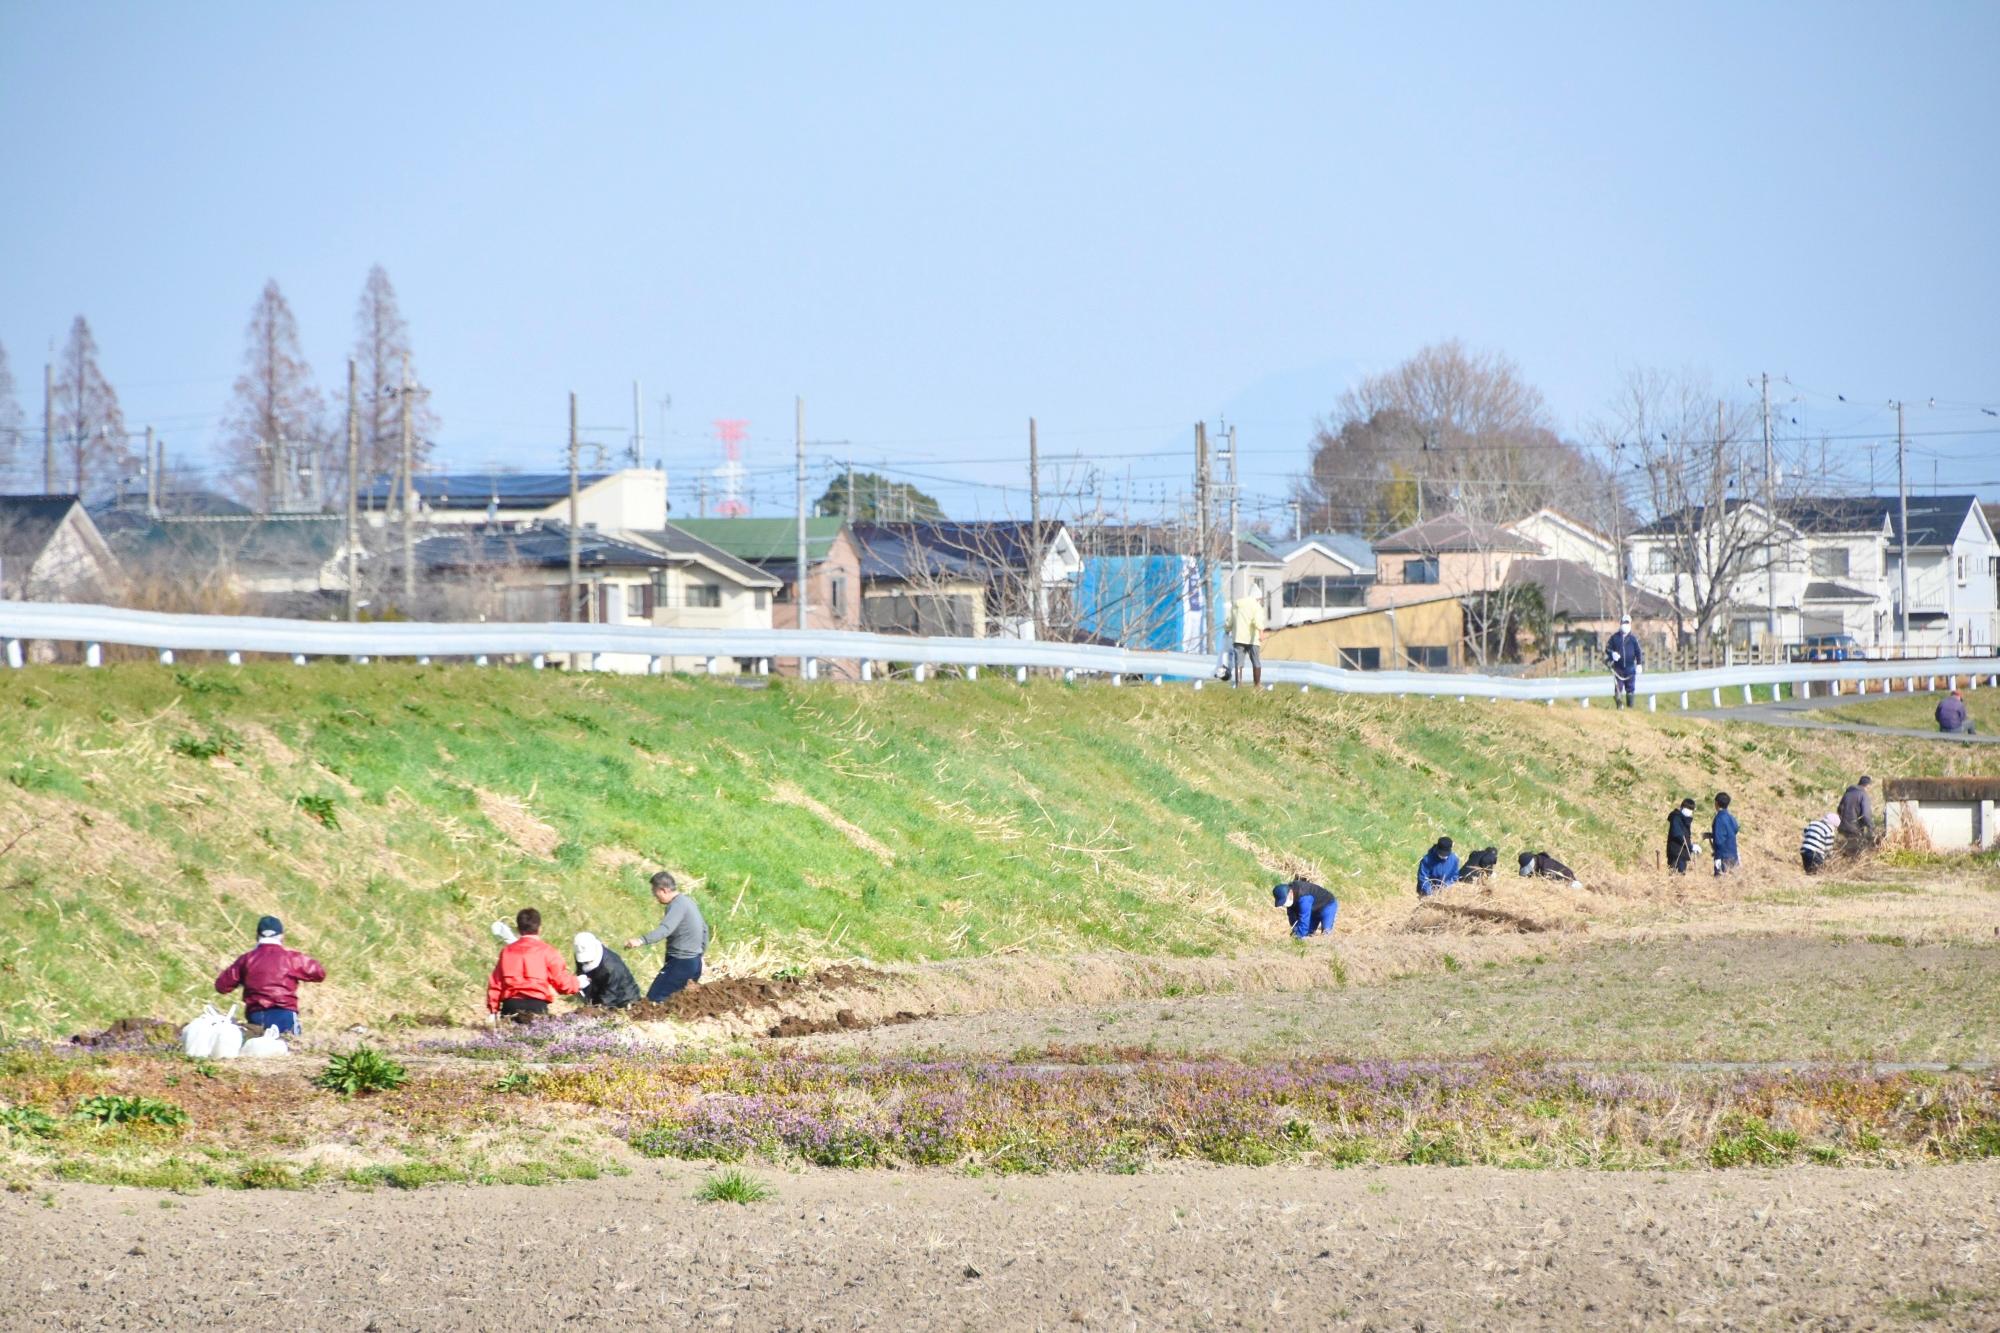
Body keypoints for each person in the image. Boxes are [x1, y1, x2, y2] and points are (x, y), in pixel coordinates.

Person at [213, 915, 326, 1036]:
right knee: (289, 1047)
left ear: (257, 936)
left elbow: (222, 986)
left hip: (256, 1015)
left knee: (257, 1049)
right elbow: (319, 973)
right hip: (284, 1013)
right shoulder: (291, 958)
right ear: (281, 936)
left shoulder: (246, 959)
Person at [626, 871, 710, 1001]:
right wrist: (699, 954)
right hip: (694, 963)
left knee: (654, 999)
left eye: (655, 893)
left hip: (681, 963)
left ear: (664, 890)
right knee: (679, 1001)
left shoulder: (677, 905)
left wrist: (641, 940)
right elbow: (704, 929)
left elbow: (665, 929)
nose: (655, 897)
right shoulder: (688, 902)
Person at [487, 907, 579, 1023]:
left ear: (518, 929)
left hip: (510, 1006)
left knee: (508, 1039)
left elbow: (496, 983)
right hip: (537, 1007)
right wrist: (577, 983)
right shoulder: (548, 952)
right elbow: (562, 983)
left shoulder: (507, 951)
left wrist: (493, 1010)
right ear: (540, 928)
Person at [572, 932, 641, 1009]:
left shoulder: (612, 967)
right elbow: (581, 972)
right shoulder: (581, 955)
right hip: (601, 989)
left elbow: (610, 995)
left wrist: (596, 1010)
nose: (585, 962)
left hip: (623, 998)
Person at [1226, 584, 1267, 689]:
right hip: (1252, 639)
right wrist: (1261, 632)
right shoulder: (1256, 606)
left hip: (1238, 637)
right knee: (1256, 661)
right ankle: (1257, 684)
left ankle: (1238, 684)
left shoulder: (1236, 604)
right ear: (1257, 597)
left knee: (1238, 662)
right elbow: (1257, 621)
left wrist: (1227, 630)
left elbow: (1230, 621)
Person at [1271, 879, 1338, 938]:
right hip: (1313, 909)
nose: (1284, 904)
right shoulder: (1290, 900)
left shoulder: (1304, 896)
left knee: (1326, 933)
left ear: (1290, 893)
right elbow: (1292, 918)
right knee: (1309, 933)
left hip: (1327, 905)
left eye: (1284, 901)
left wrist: (1297, 936)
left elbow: (1304, 918)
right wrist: (1295, 930)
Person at [1604, 615, 1643, 709]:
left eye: (1627, 623)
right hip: (1618, 669)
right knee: (1618, 689)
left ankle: (1630, 707)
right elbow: (1607, 649)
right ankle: (1619, 706)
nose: (1625, 625)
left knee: (1630, 689)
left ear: (1630, 624)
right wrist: (1612, 654)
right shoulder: (1614, 638)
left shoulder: (1633, 639)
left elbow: (1638, 652)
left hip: (1630, 669)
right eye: (1624, 623)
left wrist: (1639, 664)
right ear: (1620, 624)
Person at [1838, 776, 1875, 854]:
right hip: (1854, 828)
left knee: (1844, 851)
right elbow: (1866, 814)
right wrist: (1871, 826)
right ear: (1867, 785)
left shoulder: (1847, 793)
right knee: (1855, 853)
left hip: (1843, 828)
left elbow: (1839, 809)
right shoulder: (1863, 795)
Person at [1711, 792, 1740, 877]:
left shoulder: (1719, 818)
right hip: (1733, 854)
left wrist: (1718, 857)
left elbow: (1719, 840)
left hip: (1723, 856)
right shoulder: (1731, 817)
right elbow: (1735, 829)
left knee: (1720, 882)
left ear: (1716, 803)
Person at [1665, 797, 1698, 874]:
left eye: (1691, 809)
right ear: (1682, 807)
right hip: (1676, 852)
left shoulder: (1685, 820)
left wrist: (1690, 846)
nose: (1689, 811)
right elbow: (1678, 834)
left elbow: (1686, 836)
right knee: (1676, 875)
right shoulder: (1676, 818)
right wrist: (1691, 846)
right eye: (1687, 808)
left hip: (1682, 853)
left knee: (1681, 875)